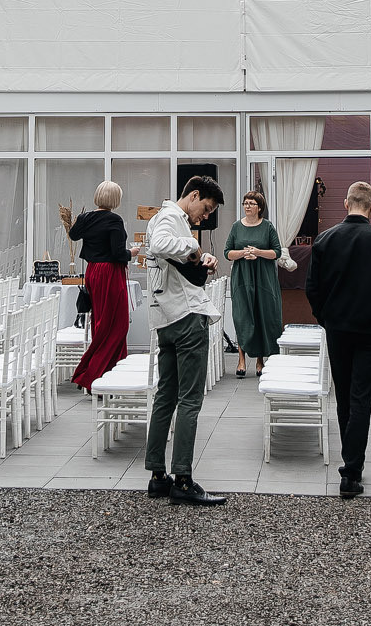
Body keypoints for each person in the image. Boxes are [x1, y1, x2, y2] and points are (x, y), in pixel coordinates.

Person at [307, 180, 371, 497]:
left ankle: (350, 464)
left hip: (338, 327)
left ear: (346, 203)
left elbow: (312, 287)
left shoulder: (325, 239)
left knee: (344, 396)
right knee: (362, 397)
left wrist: (324, 317)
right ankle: (352, 469)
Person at [142, 174, 226, 506]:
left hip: (166, 318)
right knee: (189, 400)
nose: (204, 217)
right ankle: (183, 479)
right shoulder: (171, 217)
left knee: (166, 397)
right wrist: (193, 247)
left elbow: (168, 260)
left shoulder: (163, 218)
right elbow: (161, 245)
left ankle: (158, 476)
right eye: (206, 209)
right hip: (187, 317)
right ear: (193, 195)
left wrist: (200, 259)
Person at [60, 182, 130, 390]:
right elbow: (118, 253)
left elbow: (73, 235)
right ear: (115, 199)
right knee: (116, 324)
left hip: (93, 271)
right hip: (110, 272)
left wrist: (83, 222)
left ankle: (105, 372)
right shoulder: (114, 220)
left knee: (100, 320)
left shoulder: (86, 218)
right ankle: (94, 374)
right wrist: (131, 253)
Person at [224, 189, 286, 377]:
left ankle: (260, 360)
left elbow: (277, 252)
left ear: (259, 207)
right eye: (245, 203)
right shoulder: (236, 227)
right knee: (242, 317)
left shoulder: (267, 226)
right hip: (242, 278)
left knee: (261, 315)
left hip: (263, 278)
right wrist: (244, 253)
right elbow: (227, 253)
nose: (247, 206)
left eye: (251, 203)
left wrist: (258, 252)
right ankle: (241, 360)